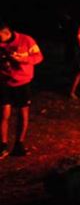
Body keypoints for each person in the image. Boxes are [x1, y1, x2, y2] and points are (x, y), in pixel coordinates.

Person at [0, 20, 44, 158]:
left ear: (7, 32)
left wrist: (22, 60)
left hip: (22, 81)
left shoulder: (26, 40)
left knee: (22, 113)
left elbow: (39, 57)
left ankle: (19, 144)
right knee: (3, 113)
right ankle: (3, 145)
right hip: (4, 81)